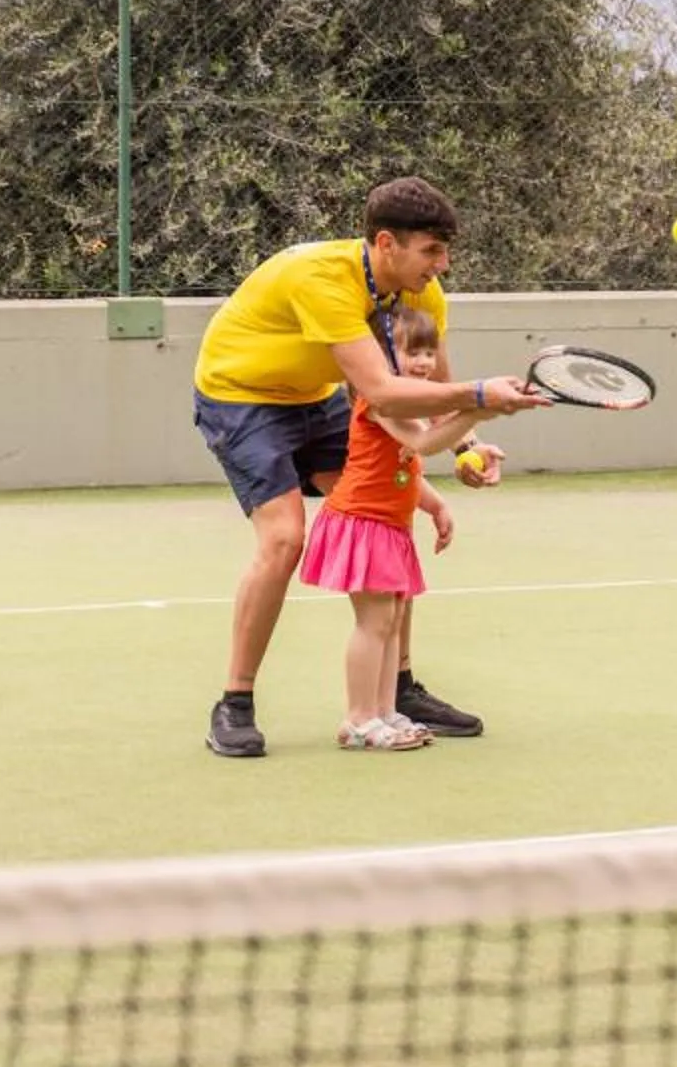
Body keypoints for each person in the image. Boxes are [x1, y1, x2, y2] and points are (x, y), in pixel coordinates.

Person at [190, 176, 548, 757]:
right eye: (432, 250)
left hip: (317, 396)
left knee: (385, 515)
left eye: (445, 250)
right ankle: (235, 702)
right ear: (387, 243)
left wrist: (467, 448)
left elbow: (435, 387)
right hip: (241, 395)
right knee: (283, 539)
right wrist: (483, 396)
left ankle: (398, 691)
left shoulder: (420, 293)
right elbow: (384, 391)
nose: (443, 264)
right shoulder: (322, 279)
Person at [303, 304, 478, 750]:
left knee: (392, 619)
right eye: (411, 352)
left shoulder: (407, 404)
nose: (424, 362)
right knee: (375, 621)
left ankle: (384, 712)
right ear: (378, 360)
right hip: (362, 523)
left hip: (389, 525)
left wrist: (435, 505)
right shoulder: (380, 402)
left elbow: (404, 468)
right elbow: (424, 443)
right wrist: (479, 409)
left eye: (428, 352)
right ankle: (358, 720)